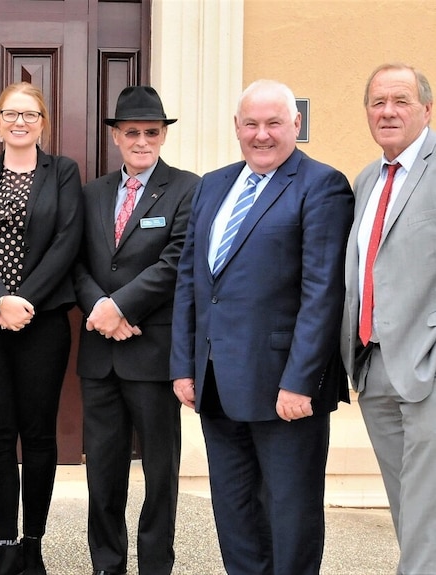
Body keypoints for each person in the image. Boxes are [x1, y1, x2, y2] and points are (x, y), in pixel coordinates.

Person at [170, 79, 353, 575]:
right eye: (251, 123)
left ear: (296, 125)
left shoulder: (322, 184)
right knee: (235, 511)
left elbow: (323, 292)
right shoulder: (212, 184)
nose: (262, 134)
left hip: (283, 390)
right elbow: (191, 280)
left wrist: (301, 382)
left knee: (289, 513)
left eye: (274, 123)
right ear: (236, 127)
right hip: (215, 383)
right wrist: (184, 366)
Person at [0, 82, 83, 575]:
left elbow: (67, 240)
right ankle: (3, 542)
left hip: (44, 320)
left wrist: (25, 300)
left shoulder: (63, 172)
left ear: (43, 122)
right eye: (11, 113)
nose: (21, 122)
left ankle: (32, 545)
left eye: (30, 114)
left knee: (38, 433)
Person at [73, 86, 198, 575]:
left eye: (151, 132)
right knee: (103, 473)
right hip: (99, 356)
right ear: (116, 137)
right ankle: (107, 564)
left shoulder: (189, 187)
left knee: (160, 472)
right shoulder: (92, 193)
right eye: (132, 132)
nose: (142, 140)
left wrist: (121, 306)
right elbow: (76, 261)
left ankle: (154, 566)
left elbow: (177, 261)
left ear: (163, 135)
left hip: (153, 352)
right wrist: (100, 307)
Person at [340, 63, 436, 574]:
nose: (388, 112)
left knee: (428, 508)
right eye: (378, 102)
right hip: (375, 367)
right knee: (408, 509)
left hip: (427, 366)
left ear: (427, 108)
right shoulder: (368, 178)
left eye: (400, 100)